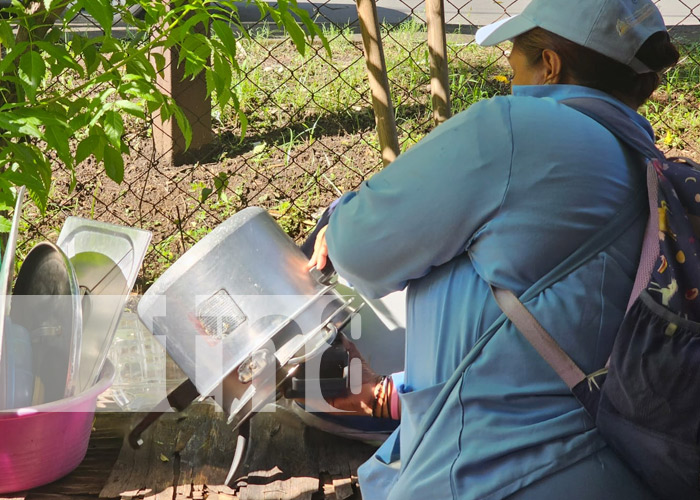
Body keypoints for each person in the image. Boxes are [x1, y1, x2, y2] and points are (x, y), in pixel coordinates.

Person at [304, 0, 680, 498]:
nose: (508, 68)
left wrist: (336, 219)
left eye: (516, 56)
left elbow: (358, 248)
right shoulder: (643, 164)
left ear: (550, 64)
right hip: (612, 463)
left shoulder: (516, 129)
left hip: (494, 475)